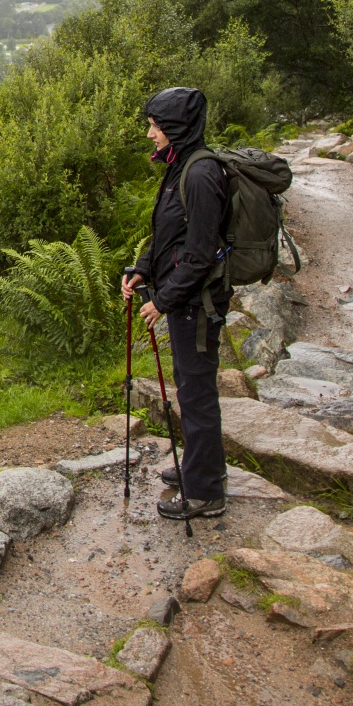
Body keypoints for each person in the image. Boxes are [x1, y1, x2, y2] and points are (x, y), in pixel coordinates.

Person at [119, 86, 232, 520]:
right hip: (185, 300)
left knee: (196, 392)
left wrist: (162, 300)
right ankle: (204, 467)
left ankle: (205, 493)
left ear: (177, 129)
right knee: (192, 386)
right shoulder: (179, 166)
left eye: (155, 126)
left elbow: (201, 253)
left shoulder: (200, 175)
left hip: (196, 305)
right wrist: (141, 268)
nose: (150, 134)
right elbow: (168, 234)